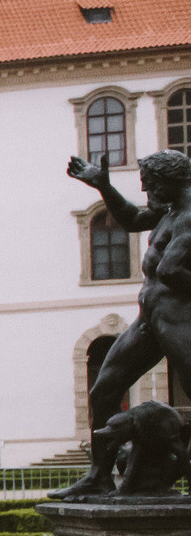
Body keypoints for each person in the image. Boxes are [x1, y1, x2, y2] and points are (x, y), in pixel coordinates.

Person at [56, 149, 191, 497]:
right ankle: (99, 476)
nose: (145, 192)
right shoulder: (169, 210)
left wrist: (171, 274)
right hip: (150, 319)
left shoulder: (189, 216)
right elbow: (132, 219)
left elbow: (170, 270)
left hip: (178, 320)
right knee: (103, 392)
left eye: (149, 185)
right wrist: (104, 187)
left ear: (168, 182)